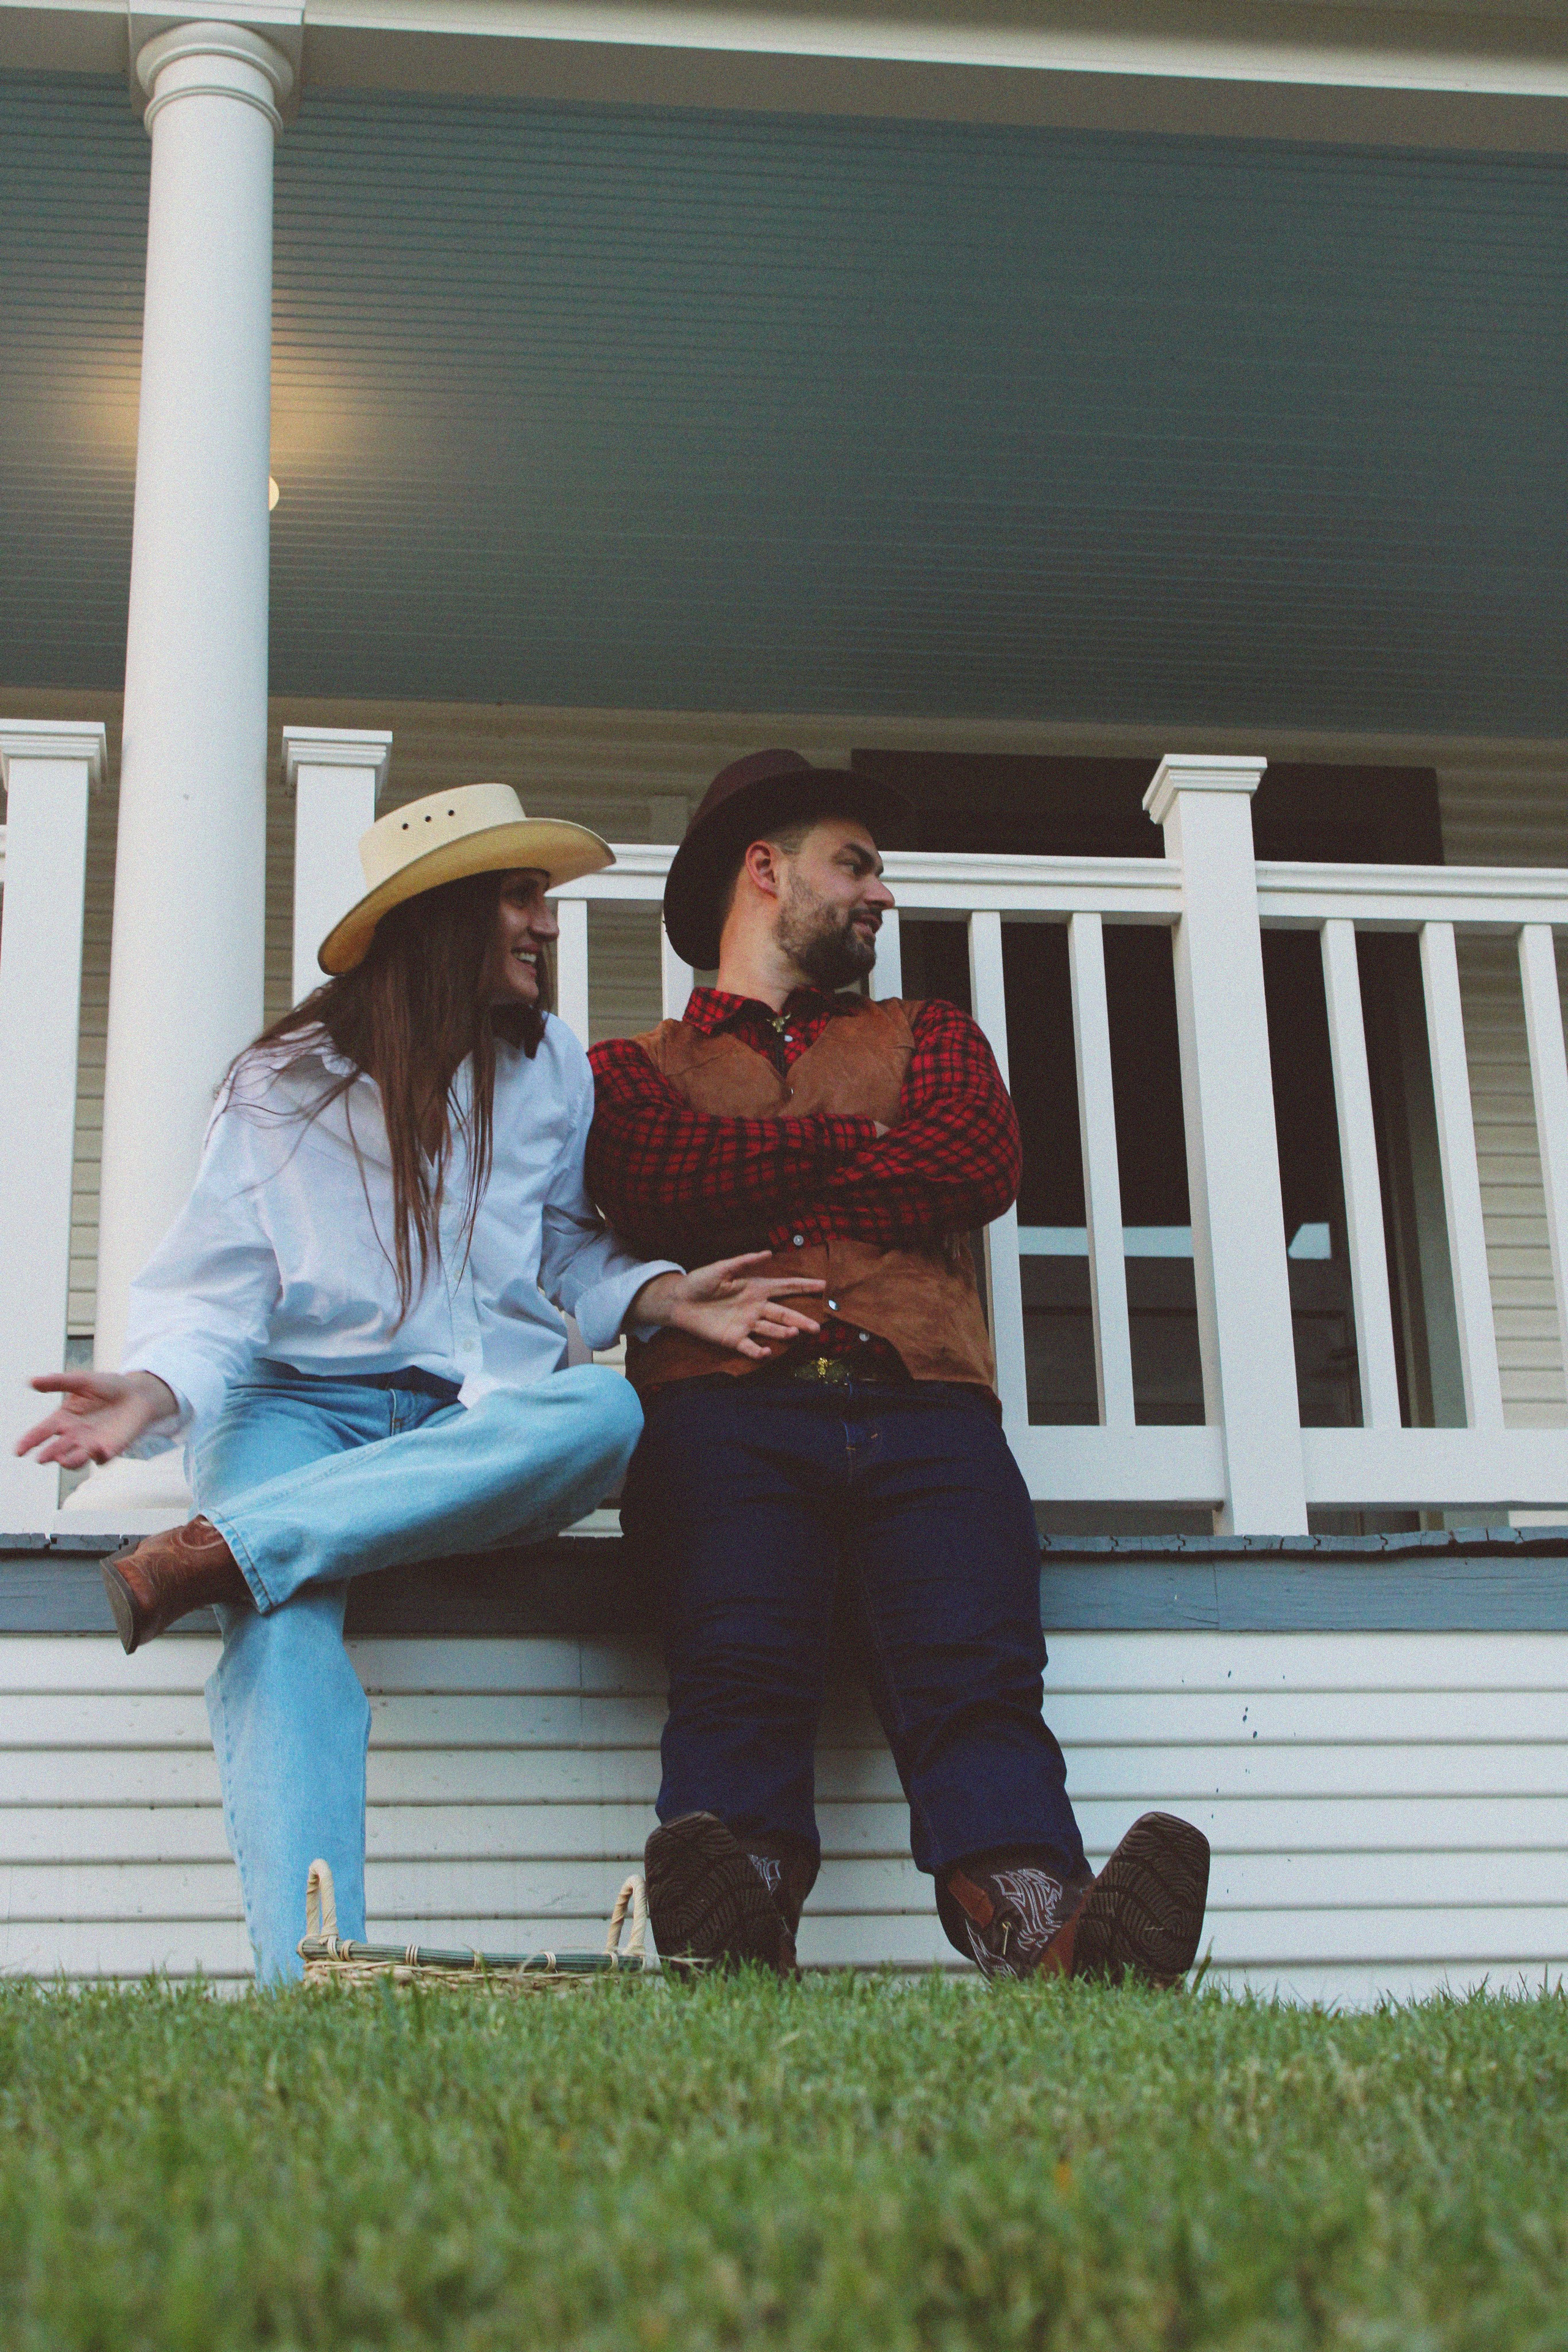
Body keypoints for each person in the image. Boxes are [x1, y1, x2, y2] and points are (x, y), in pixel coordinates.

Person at [17, 782, 823, 1983]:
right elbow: (214, 1291)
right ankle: (310, 1985)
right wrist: (153, 1391)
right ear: (442, 917)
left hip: (469, 1423)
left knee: (606, 1408)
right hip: (296, 1406)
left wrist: (654, 1294)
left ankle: (219, 1548)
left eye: (542, 898)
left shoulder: (549, 1064)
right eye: (519, 897)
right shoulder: (284, 1084)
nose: (546, 924)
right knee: (283, 1630)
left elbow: (556, 1246)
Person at [587, 748, 1210, 1983]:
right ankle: (733, 1941)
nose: (880, 895)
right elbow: (656, 1183)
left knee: (979, 1681)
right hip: (723, 1419)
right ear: (764, 871)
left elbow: (971, 1163)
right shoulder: (626, 1071)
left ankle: (1051, 1937)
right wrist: (856, 1145)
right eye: (854, 864)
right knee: (734, 1672)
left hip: (928, 1414)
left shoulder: (935, 1037)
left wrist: (756, 1167)